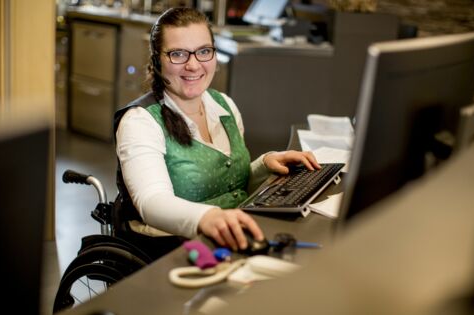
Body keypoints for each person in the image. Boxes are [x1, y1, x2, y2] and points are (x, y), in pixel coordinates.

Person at [114, 7, 320, 259]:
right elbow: (151, 202)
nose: (193, 65)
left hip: (230, 235)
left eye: (203, 51)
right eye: (178, 54)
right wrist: (207, 217)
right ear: (157, 60)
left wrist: (266, 164)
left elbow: (232, 182)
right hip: (171, 248)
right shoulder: (140, 121)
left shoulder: (224, 105)